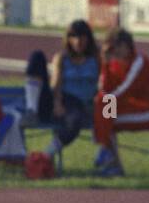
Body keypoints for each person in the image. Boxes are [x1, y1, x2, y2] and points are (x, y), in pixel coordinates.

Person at [92, 27, 149, 178]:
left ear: (127, 45)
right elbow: (105, 90)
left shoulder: (139, 62)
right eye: (111, 47)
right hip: (131, 107)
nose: (114, 51)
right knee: (103, 109)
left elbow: (123, 91)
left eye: (117, 46)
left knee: (106, 118)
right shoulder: (114, 63)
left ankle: (108, 156)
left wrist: (105, 101)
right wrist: (105, 64)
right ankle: (110, 160)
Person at [33, 19, 100, 160]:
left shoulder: (97, 58)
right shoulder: (62, 58)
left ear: (88, 38)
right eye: (73, 37)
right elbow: (56, 85)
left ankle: (108, 158)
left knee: (110, 117)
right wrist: (57, 104)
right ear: (68, 39)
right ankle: (46, 155)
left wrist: (109, 111)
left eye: (82, 37)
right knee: (74, 121)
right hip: (69, 100)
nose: (78, 41)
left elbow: (108, 83)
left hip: (93, 101)